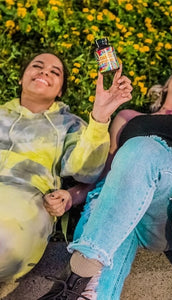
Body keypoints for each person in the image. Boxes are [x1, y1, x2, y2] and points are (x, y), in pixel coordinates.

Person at [38, 67, 172, 299]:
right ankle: (88, 291)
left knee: (140, 149)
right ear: (166, 84)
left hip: (165, 205)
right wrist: (72, 196)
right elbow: (106, 173)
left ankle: (84, 264)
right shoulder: (128, 116)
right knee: (104, 197)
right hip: (118, 201)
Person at [0, 52, 132, 283]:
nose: (44, 72)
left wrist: (99, 117)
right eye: (38, 66)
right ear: (21, 78)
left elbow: (86, 170)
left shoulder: (69, 125)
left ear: (61, 90)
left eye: (54, 72)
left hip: (24, 203)